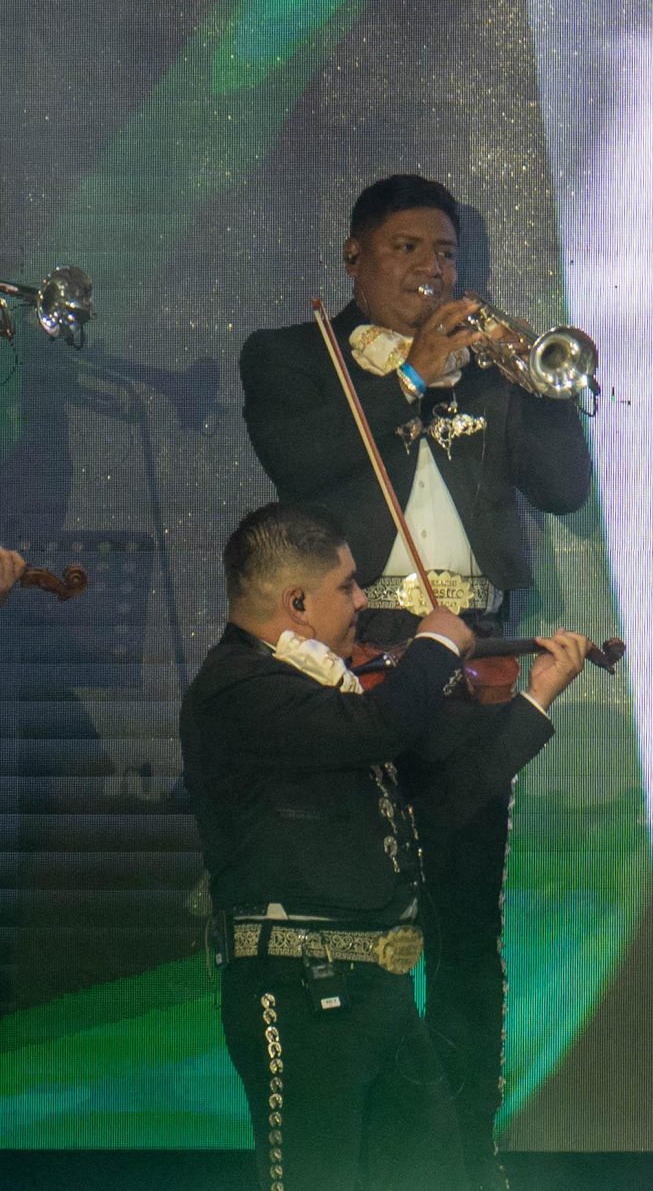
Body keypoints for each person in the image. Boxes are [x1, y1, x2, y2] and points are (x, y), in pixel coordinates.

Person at [238, 174, 594, 1185]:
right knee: (360, 923)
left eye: (444, 251)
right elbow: (299, 468)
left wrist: (539, 385)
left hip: (473, 671)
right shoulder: (294, 355)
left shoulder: (486, 367)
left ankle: (467, 1154)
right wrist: (408, 379)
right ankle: (366, 1154)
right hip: (351, 664)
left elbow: (564, 490)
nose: (432, 268)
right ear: (354, 256)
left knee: (467, 929)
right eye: (407, 248)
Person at [181, 503, 591, 1191]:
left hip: (383, 994)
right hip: (297, 994)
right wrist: (435, 644)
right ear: (297, 602)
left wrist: (537, 700)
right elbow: (381, 726)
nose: (363, 601)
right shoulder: (237, 689)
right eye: (347, 585)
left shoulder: (331, 691)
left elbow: (442, 803)